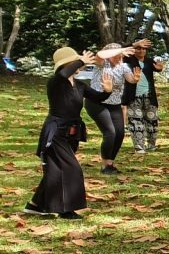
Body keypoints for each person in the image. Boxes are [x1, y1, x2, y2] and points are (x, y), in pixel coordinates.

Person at [24, 48, 119, 219]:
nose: (79, 64)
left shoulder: (80, 85)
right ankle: (66, 210)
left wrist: (107, 91)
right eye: (75, 61)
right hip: (55, 131)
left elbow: (98, 98)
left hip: (71, 132)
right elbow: (62, 75)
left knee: (56, 169)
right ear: (67, 64)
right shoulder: (56, 82)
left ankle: (36, 205)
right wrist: (81, 60)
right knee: (71, 169)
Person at [84, 43, 139, 174]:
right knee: (110, 133)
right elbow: (100, 54)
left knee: (119, 133)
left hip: (114, 103)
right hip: (96, 102)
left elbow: (130, 80)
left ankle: (110, 162)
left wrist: (135, 79)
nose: (119, 57)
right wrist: (121, 49)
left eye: (120, 55)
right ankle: (105, 166)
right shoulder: (102, 63)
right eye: (116, 55)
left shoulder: (124, 66)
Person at [124, 40, 164, 153]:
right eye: (138, 48)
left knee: (152, 121)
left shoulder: (149, 61)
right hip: (134, 96)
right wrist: (134, 44)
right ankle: (139, 147)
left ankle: (151, 145)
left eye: (143, 49)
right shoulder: (129, 59)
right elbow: (123, 50)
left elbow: (158, 68)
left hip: (149, 96)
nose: (141, 50)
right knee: (136, 122)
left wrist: (160, 68)